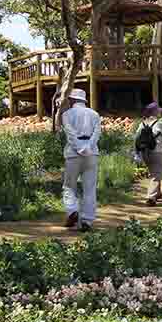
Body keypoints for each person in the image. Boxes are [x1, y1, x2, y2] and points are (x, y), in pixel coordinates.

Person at [58, 88, 101, 231]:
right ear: (83, 100)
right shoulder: (95, 114)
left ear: (72, 100)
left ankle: (72, 211)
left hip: (73, 154)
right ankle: (87, 221)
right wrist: (88, 147)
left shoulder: (66, 114)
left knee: (69, 186)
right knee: (89, 188)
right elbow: (96, 134)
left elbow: (70, 134)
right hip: (91, 154)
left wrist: (79, 148)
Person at [134, 102, 162, 206]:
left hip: (145, 152)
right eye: (158, 111)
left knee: (154, 172)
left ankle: (158, 193)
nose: (160, 112)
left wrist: (136, 152)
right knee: (156, 174)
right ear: (155, 112)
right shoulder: (159, 123)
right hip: (157, 151)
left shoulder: (142, 123)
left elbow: (136, 138)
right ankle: (151, 197)